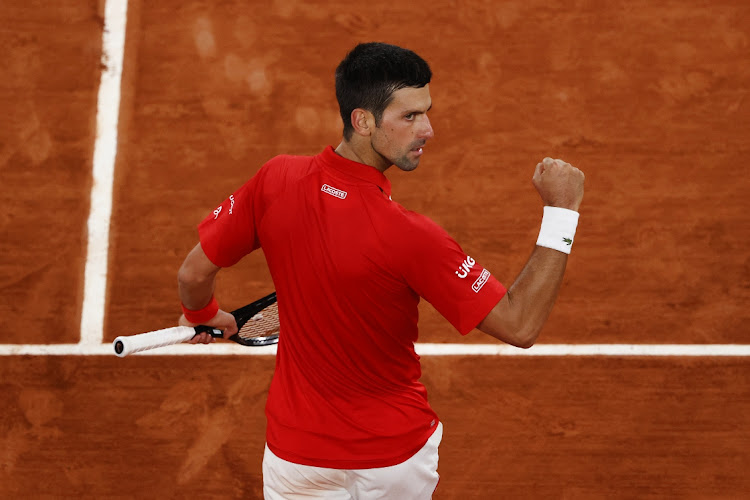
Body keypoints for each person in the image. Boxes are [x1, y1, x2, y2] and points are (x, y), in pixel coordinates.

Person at [176, 42, 584, 499]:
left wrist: (204, 315)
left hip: (296, 460)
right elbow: (521, 323)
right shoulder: (411, 236)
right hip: (393, 462)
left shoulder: (275, 180)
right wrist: (562, 213)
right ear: (362, 120)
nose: (427, 129)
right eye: (409, 117)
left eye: (426, 111)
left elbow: (193, 274)